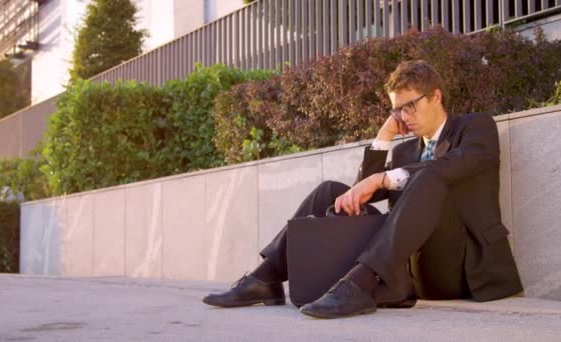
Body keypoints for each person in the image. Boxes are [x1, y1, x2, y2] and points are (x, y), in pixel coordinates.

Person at [202, 60, 523, 319]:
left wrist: (384, 179)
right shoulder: (403, 152)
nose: (404, 116)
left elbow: (451, 166)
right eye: (397, 110)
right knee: (330, 192)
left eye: (410, 106)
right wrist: (384, 137)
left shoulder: (475, 127)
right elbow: (360, 193)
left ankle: (359, 284)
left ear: (436, 96)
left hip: (463, 269)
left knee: (427, 176)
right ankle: (266, 278)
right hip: (414, 272)